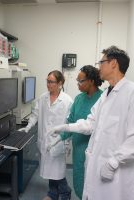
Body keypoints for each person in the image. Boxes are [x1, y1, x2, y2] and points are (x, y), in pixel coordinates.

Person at [49, 46, 134, 200]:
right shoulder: (106, 94)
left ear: (113, 63)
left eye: (101, 62)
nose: (99, 66)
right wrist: (66, 127)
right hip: (101, 164)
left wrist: (113, 162)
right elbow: (90, 123)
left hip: (120, 170)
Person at [48, 65, 103, 199]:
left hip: (95, 151)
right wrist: (60, 138)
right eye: (77, 81)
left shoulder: (103, 99)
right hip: (78, 150)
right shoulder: (78, 99)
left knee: (93, 187)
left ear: (91, 81)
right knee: (79, 182)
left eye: (80, 81)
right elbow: (71, 122)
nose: (77, 84)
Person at [19, 70, 73, 200]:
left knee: (57, 172)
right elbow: (35, 114)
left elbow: (70, 123)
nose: (48, 84)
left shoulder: (67, 101)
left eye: (51, 82)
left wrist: (66, 142)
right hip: (45, 140)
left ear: (60, 83)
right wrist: (28, 127)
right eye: (47, 81)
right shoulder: (43, 97)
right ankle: (52, 194)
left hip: (58, 141)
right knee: (49, 170)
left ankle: (65, 192)